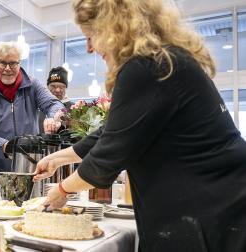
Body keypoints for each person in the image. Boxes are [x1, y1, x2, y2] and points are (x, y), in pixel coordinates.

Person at [33, 0, 246, 251]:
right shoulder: (163, 59)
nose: (89, 47)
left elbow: (108, 158)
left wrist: (61, 189)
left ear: (115, 27)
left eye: (92, 35)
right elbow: (112, 132)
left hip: (209, 212)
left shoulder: (146, 66)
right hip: (221, 203)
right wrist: (59, 158)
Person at [0, 41, 65, 175]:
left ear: (19, 62)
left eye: (13, 63)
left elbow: (53, 104)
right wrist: (6, 146)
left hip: (31, 169)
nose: (8, 68)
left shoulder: (33, 85)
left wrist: (54, 117)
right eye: (3, 63)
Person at [38, 66, 74, 133]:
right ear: (47, 87)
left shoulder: (74, 109)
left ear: (66, 88)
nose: (57, 90)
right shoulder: (40, 108)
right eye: (53, 86)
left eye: (61, 87)